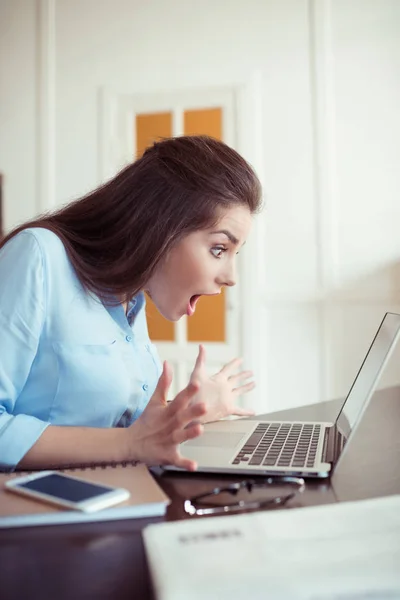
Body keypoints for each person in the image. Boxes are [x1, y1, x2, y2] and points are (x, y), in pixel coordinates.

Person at [0, 135, 262, 471]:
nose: (230, 277)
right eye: (218, 249)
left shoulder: (132, 300)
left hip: (110, 498)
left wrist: (184, 410)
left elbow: (125, 428)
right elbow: (128, 441)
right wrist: (130, 444)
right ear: (162, 227)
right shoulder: (38, 255)